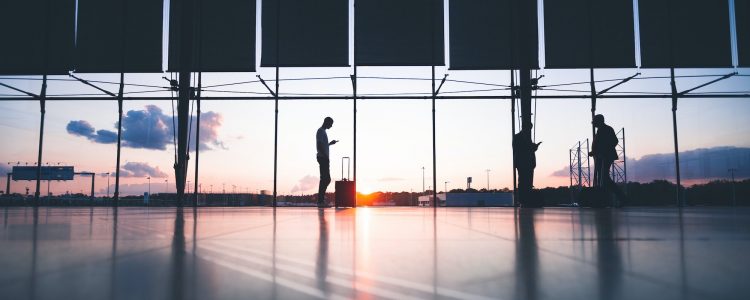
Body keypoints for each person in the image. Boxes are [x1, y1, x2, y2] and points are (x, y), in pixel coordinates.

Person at [589, 114, 626, 205]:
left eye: (594, 122)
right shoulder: (602, 130)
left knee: (604, 178)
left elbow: (614, 141)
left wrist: (602, 151)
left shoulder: (606, 129)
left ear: (599, 121)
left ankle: (621, 198)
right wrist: (595, 152)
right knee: (602, 178)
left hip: (605, 157)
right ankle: (610, 198)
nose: (593, 124)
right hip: (602, 157)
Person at [513, 122, 541, 207]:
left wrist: (533, 147)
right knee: (523, 182)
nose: (529, 130)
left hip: (527, 163)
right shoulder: (518, 137)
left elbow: (525, 148)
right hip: (523, 163)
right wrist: (533, 147)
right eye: (529, 128)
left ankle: (525, 200)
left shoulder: (521, 137)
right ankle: (523, 201)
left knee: (527, 182)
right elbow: (521, 149)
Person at [316, 117, 338, 208]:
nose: (331, 126)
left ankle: (321, 200)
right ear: (326, 122)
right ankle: (320, 201)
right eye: (331, 124)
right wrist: (324, 155)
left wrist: (329, 144)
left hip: (323, 157)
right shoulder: (321, 131)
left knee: (325, 179)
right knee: (325, 179)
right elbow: (319, 144)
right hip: (323, 157)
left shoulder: (323, 131)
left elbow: (323, 144)